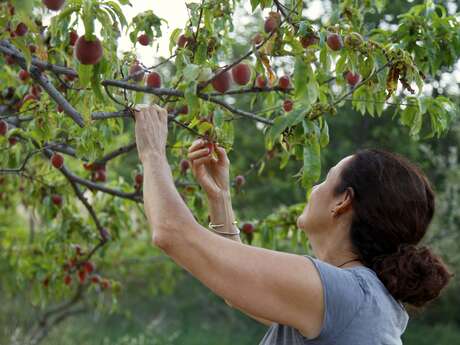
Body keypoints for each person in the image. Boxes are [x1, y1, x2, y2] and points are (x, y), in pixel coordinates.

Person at [133, 104, 454, 345]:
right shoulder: (360, 299)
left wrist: (152, 152)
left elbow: (172, 232)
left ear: (343, 201)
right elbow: (237, 289)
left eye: (326, 179)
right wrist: (220, 199)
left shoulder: (348, 296)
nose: (313, 188)